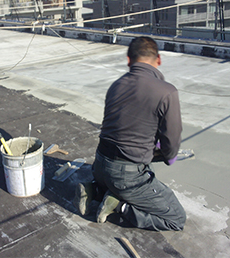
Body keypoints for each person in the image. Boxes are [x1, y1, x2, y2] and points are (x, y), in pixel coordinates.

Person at [73, 36, 186, 231]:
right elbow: (171, 142)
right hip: (127, 176)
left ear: (129, 60)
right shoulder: (167, 92)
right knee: (176, 219)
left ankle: (94, 190)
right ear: (158, 60)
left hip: (99, 165)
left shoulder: (116, 86)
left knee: (117, 177)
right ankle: (120, 206)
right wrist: (168, 155)